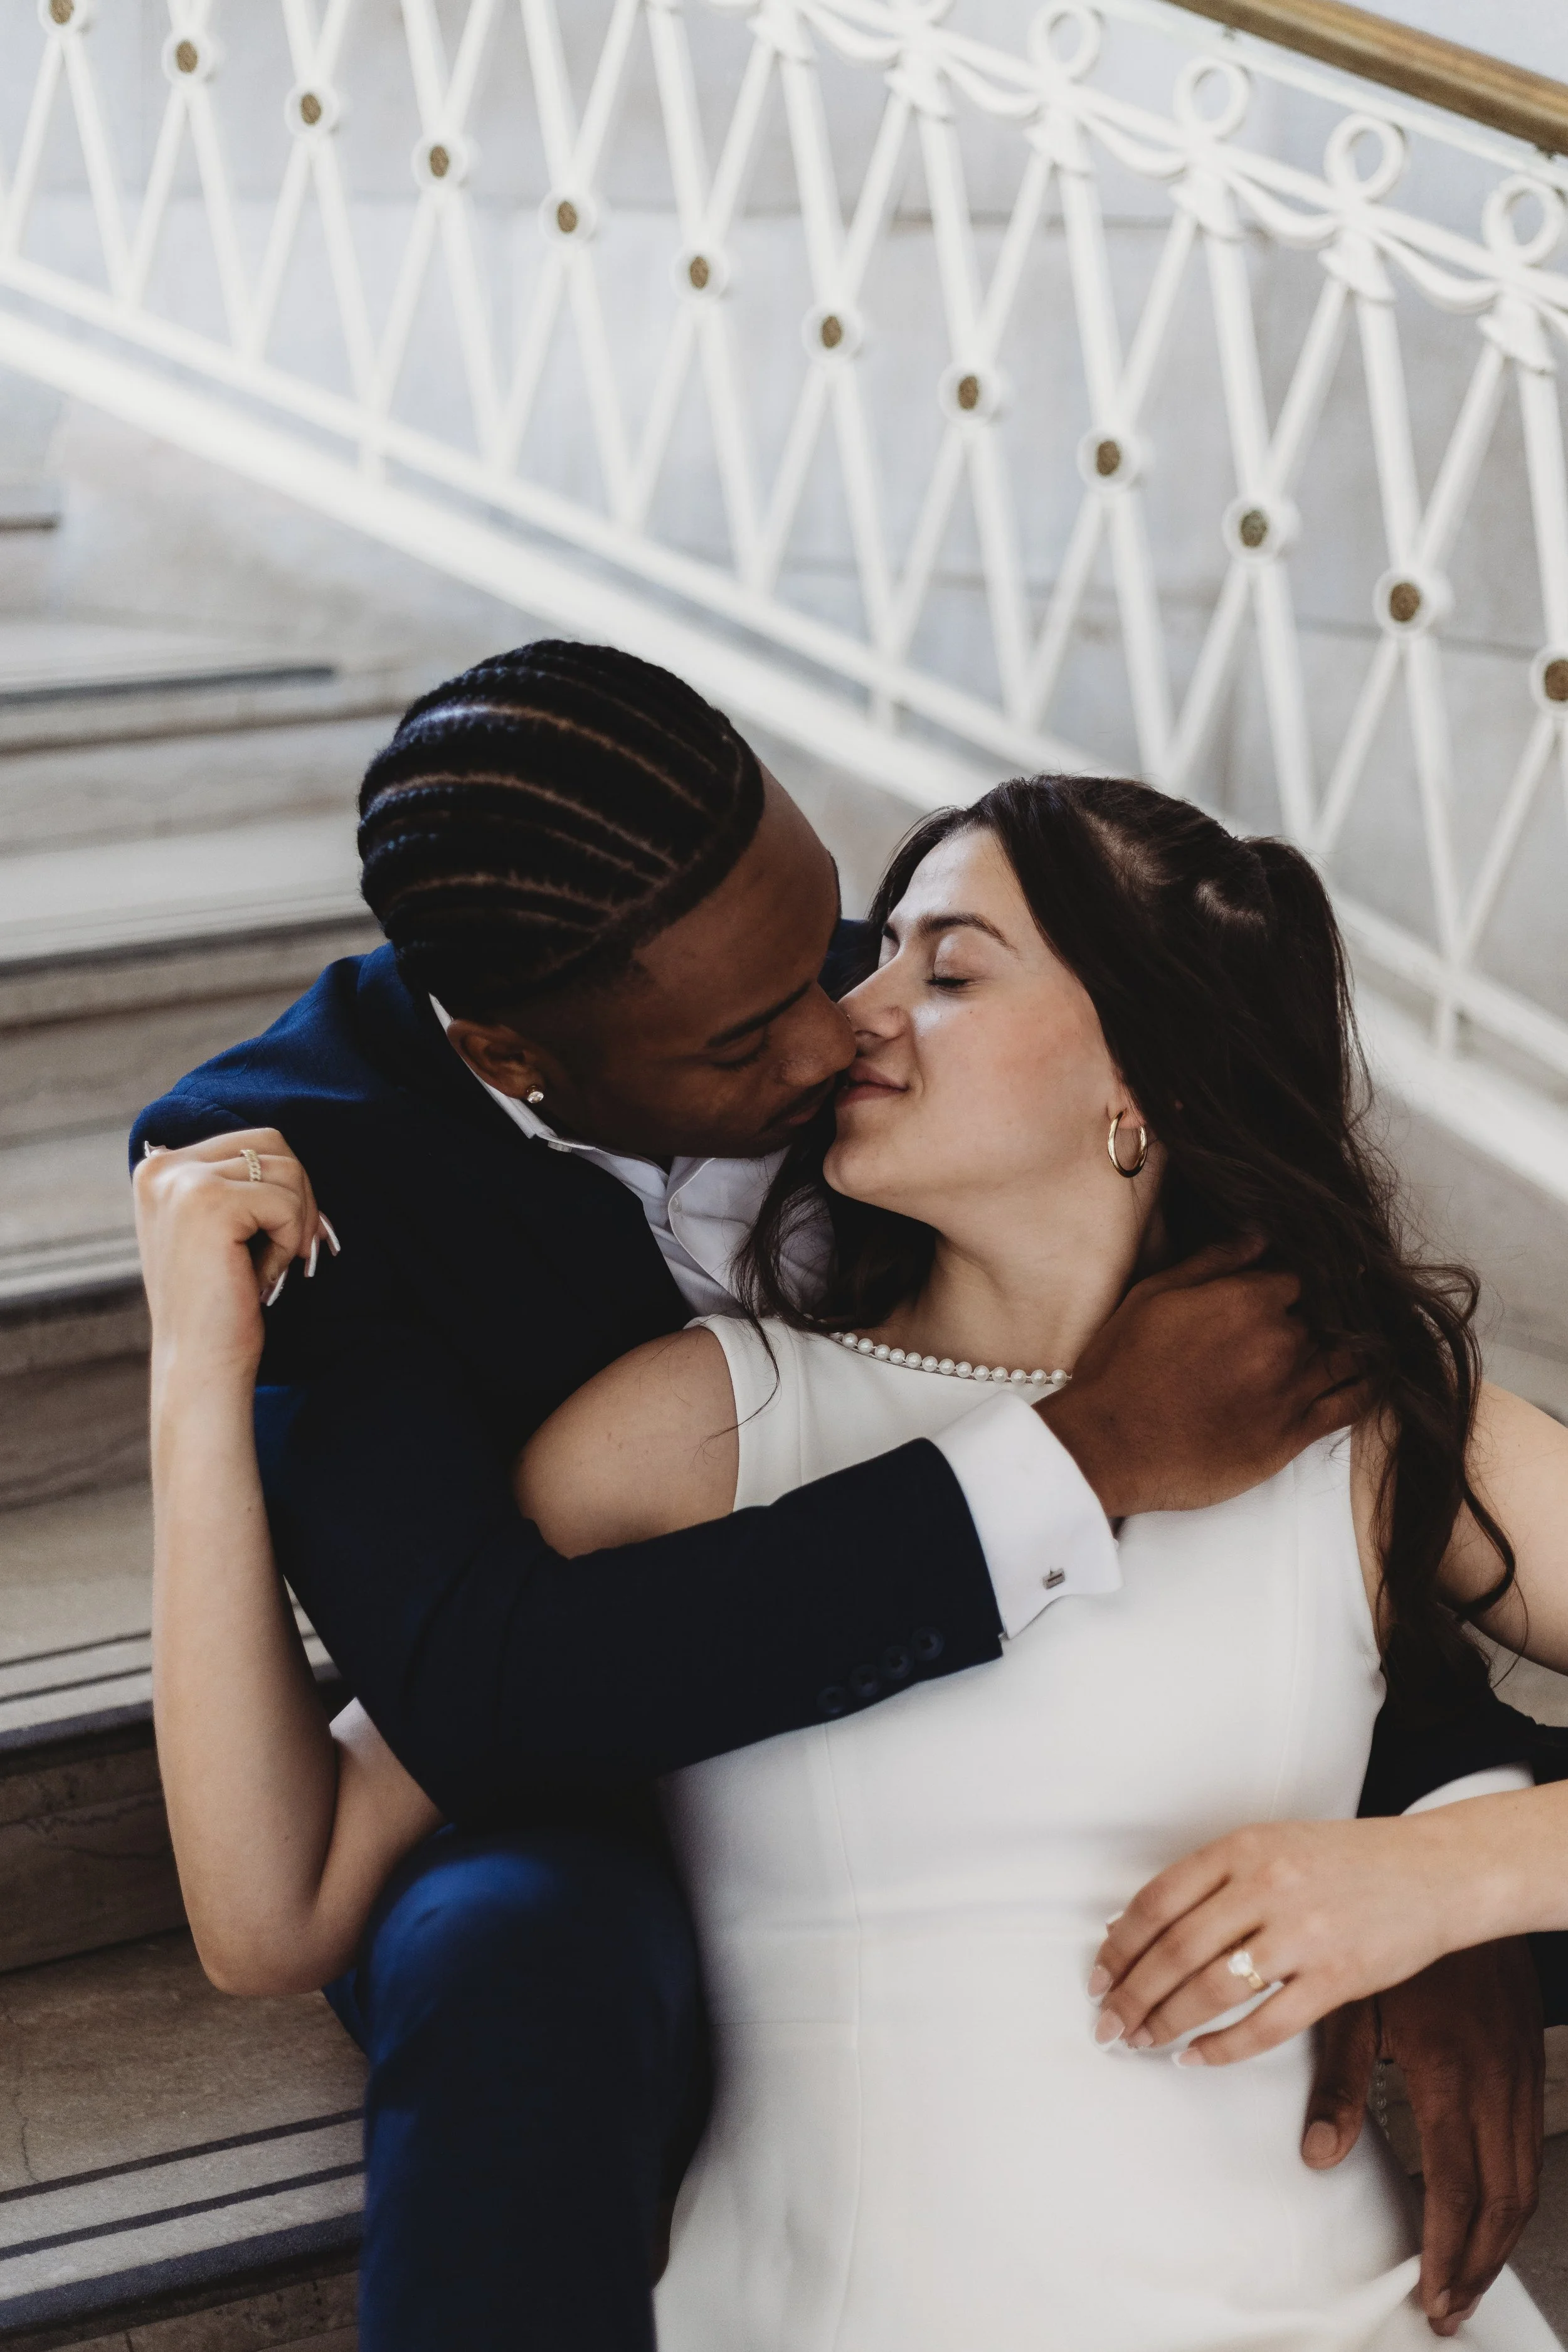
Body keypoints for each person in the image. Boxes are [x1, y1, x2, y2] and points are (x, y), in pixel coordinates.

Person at [133, 650, 1558, 2346]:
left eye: (924, 961)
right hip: (827, 2270)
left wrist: (1453, 1872)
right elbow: (300, 1870)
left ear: (1143, 1082)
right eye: (866, 959)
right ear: (514, 1051)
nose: (848, 1014)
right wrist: (192, 1384)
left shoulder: (1361, 1407)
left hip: (1336, 2310)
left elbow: (1328, 1611)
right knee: (518, 1958)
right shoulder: (691, 1421)